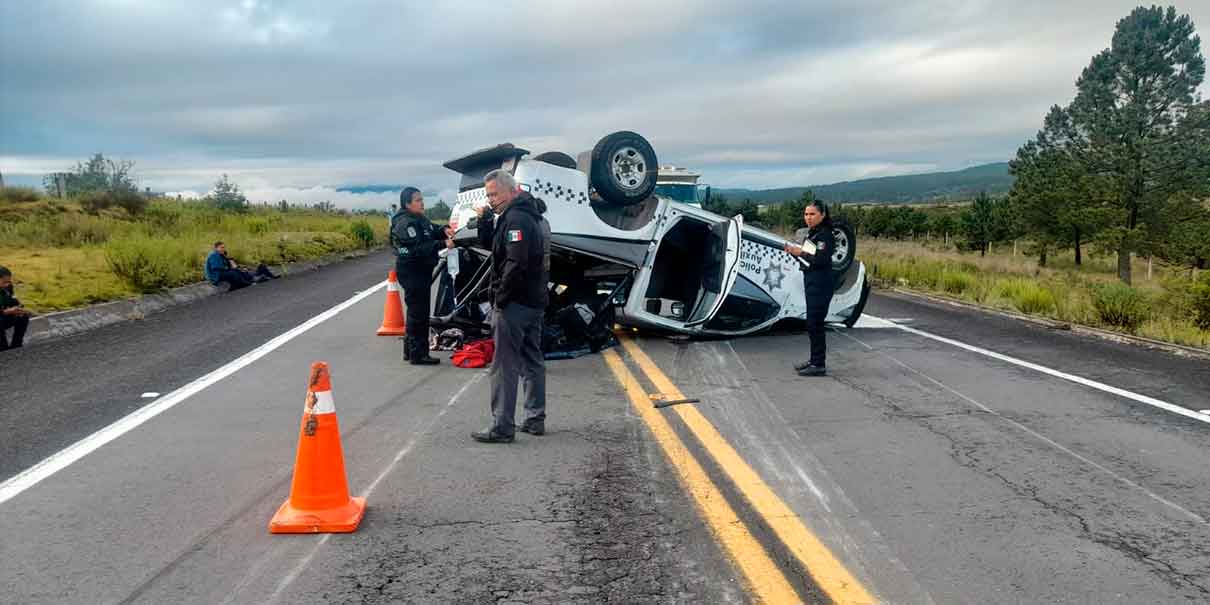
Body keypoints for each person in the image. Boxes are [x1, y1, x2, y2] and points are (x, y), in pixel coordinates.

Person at [471, 169, 549, 443]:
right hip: (534, 300)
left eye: (494, 194)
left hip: (516, 303)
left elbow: (515, 263)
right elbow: (492, 246)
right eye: (488, 195)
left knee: (504, 365)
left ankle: (502, 426)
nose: (491, 199)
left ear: (511, 190)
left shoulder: (516, 219)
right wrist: (484, 220)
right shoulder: (528, 214)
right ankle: (534, 418)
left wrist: (500, 300)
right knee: (532, 360)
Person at [391, 187, 453, 365]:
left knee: (416, 311)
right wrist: (443, 243)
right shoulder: (405, 223)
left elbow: (431, 230)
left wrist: (444, 230)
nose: (422, 203)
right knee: (419, 313)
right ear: (407, 203)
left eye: (421, 199)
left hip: (420, 271)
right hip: (412, 271)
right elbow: (417, 248)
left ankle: (410, 350)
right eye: (417, 200)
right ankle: (419, 354)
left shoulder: (419, 219)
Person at [784, 201, 836, 376]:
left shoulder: (825, 235)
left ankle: (818, 364)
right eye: (806, 214)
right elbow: (808, 259)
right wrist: (794, 252)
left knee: (815, 323)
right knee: (812, 323)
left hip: (821, 283)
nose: (808, 218)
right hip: (812, 281)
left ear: (822, 215)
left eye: (812, 214)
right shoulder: (814, 234)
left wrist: (800, 253)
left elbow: (820, 259)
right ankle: (814, 360)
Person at [205, 242, 276, 291]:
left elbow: (231, 266)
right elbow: (216, 268)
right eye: (221, 248)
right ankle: (249, 283)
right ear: (216, 248)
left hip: (222, 272)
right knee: (234, 272)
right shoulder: (214, 255)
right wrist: (230, 268)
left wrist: (238, 266)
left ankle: (267, 277)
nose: (223, 249)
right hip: (216, 275)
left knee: (243, 270)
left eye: (224, 247)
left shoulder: (221, 256)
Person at [0, 266, 32, 351]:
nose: (7, 284)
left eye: (8, 282)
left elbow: (12, 300)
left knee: (23, 316)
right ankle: (3, 347)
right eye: (4, 282)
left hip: (3, 315)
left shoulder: (8, 287)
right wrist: (6, 312)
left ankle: (16, 346)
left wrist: (19, 308)